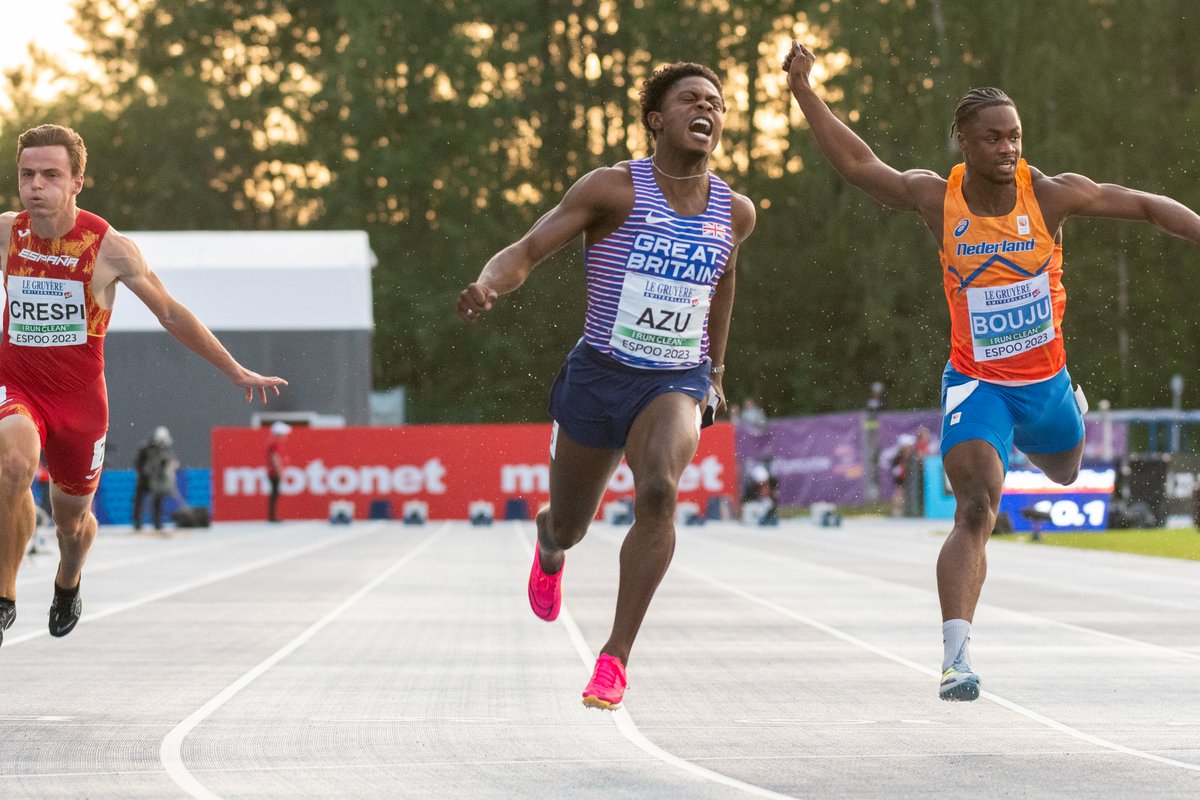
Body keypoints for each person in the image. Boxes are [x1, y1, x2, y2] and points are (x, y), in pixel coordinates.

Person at [783, 43, 1200, 701]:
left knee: (1063, 469)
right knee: (977, 504)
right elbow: (861, 165)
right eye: (993, 138)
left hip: (1048, 384)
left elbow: (1146, 204)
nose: (1007, 148)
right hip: (977, 384)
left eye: (1015, 136)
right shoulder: (933, 196)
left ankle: (1072, 415)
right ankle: (956, 658)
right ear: (964, 142)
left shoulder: (1052, 196)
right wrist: (806, 91)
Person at [458, 62, 755, 710]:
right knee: (571, 525)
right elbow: (529, 250)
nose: (706, 109)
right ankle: (549, 545)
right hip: (599, 377)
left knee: (658, 490)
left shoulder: (735, 210)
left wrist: (717, 373)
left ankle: (615, 658)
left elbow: (724, 281)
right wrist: (488, 284)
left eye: (716, 102)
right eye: (690, 100)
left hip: (675, 381)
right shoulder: (614, 189)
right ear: (657, 118)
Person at [0, 124, 287, 647]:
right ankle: (4, 596)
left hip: (80, 405)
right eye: (26, 174)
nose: (35, 186)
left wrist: (234, 369)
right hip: (17, 386)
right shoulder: (7, 233)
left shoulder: (109, 248)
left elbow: (173, 314)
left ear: (77, 181)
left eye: (50, 175)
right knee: (14, 466)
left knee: (72, 523)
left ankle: (68, 581)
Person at [132, 426, 178, 532]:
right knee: (139, 500)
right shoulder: (146, 448)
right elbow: (138, 463)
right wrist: (145, 472)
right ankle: (137, 522)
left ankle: (157, 522)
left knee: (157, 500)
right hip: (144, 479)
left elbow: (172, 461)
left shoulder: (166, 449)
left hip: (157, 480)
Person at [266, 421, 290, 522]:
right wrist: (279, 470)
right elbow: (275, 458)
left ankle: (272, 516)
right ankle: (272, 516)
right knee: (275, 494)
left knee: (274, 494)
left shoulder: (274, 443)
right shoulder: (275, 444)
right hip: (274, 472)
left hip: (273, 471)